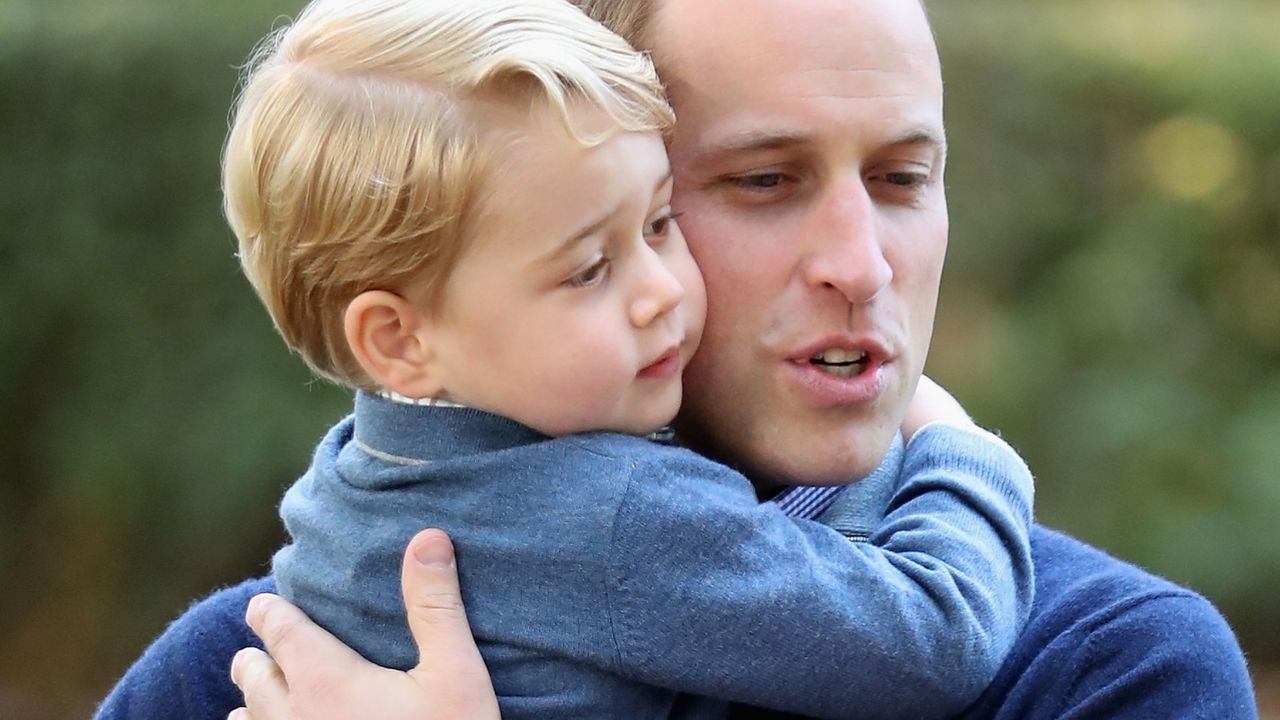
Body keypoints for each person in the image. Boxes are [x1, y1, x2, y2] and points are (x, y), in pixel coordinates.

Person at [100, 0, 1259, 718]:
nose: (860, 265)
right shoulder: (273, 673)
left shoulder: (1103, 673)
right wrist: (967, 452)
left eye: (903, 178)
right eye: (761, 181)